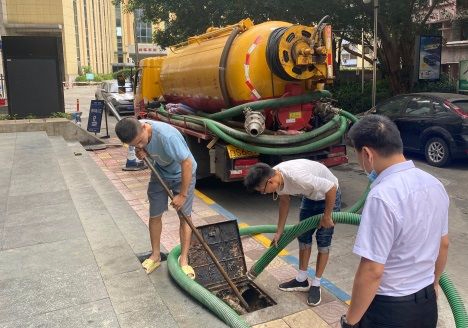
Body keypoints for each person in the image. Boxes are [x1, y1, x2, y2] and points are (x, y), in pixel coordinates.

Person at [341, 115, 449, 328]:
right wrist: (434, 283)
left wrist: (350, 322)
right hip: (427, 304)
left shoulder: (382, 195)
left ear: (367, 154)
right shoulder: (434, 184)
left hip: (390, 310)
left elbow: (372, 270)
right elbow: (443, 244)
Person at [244, 159, 341, 306]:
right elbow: (284, 202)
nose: (263, 193)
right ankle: (302, 279)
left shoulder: (297, 177)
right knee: (304, 237)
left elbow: (331, 188)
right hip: (310, 197)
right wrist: (279, 231)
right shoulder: (277, 176)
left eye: (262, 190)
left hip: (328, 197)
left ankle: (316, 283)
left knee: (323, 241)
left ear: (270, 182)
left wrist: (327, 216)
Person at [115, 117, 197, 278]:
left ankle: (184, 260)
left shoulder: (167, 136)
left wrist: (182, 194)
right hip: (160, 173)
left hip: (183, 174)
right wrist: (141, 154)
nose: (139, 146)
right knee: (154, 214)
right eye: (134, 145)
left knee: (185, 217)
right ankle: (155, 255)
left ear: (145, 128)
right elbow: (143, 151)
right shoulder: (135, 131)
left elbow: (186, 163)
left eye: (140, 141)